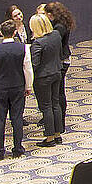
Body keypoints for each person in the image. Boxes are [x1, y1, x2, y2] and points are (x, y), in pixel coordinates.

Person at [0, 12, 30, 160]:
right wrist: (28, 86)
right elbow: (27, 69)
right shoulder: (23, 48)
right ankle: (17, 148)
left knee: (0, 120)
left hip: (0, 88)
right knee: (17, 118)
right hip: (18, 86)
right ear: (14, 33)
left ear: (0, 33)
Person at [30, 8, 68, 146]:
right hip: (56, 72)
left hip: (43, 78)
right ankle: (58, 134)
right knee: (55, 103)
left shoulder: (38, 43)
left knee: (46, 107)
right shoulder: (56, 35)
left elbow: (34, 64)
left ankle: (50, 137)